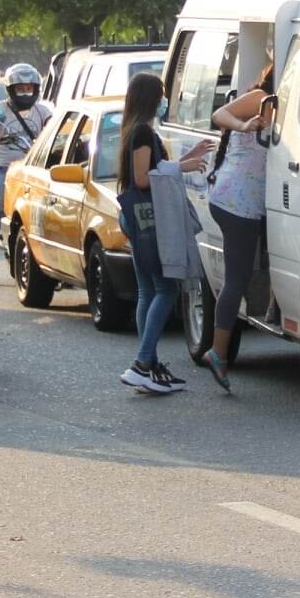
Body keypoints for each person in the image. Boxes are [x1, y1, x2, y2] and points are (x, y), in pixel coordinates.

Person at [114, 70, 210, 395]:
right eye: (162, 95)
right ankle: (142, 364)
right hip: (148, 218)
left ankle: (150, 366)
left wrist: (188, 157)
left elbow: (153, 169)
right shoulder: (142, 132)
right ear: (151, 99)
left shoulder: (135, 130)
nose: (164, 101)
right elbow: (143, 178)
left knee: (148, 291)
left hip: (137, 218)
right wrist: (181, 166)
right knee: (166, 288)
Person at [193, 62, 276, 391]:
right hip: (237, 202)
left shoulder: (281, 108)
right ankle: (217, 352)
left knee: (247, 271)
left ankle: (271, 309)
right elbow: (220, 114)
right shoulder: (260, 97)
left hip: (243, 202)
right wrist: (245, 125)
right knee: (236, 279)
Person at [0, 62, 52, 270]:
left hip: (33, 170)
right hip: (4, 168)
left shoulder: (42, 111)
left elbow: (52, 130)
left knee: (45, 214)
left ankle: (48, 264)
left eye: (29, 88)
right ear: (10, 90)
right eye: (20, 89)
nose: (25, 92)